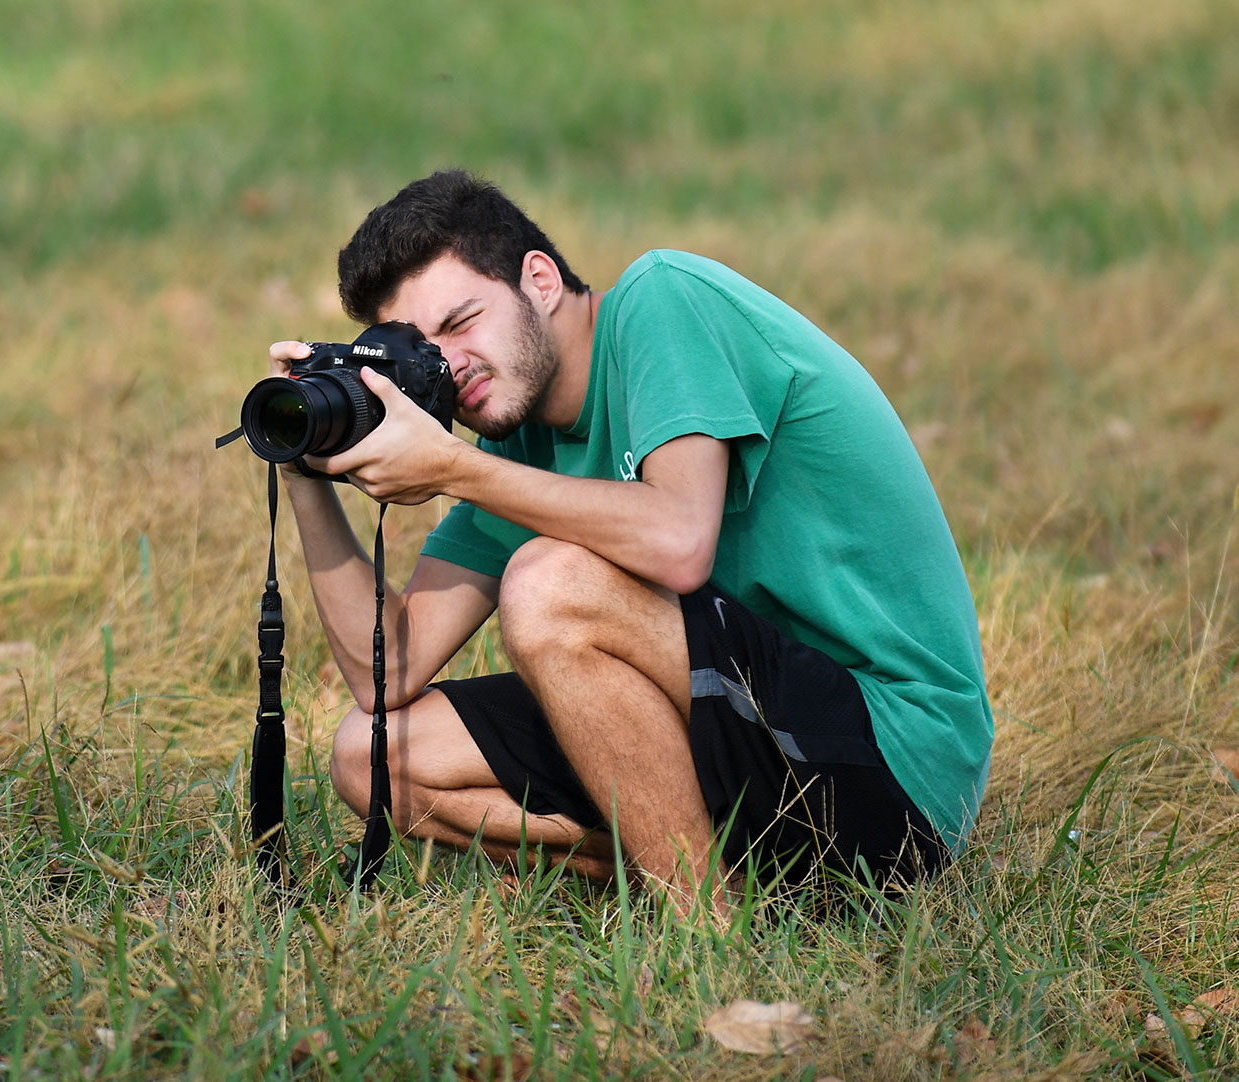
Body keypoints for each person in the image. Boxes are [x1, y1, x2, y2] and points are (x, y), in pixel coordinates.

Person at [268, 169, 993, 914]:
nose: (449, 368)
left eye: (462, 323)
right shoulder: (519, 446)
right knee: (371, 756)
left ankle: (703, 936)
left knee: (548, 584)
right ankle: (723, 879)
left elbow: (679, 541)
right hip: (747, 740)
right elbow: (388, 673)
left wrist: (456, 469)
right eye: (421, 351)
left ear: (540, 281)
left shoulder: (664, 299)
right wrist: (304, 471)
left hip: (893, 762)